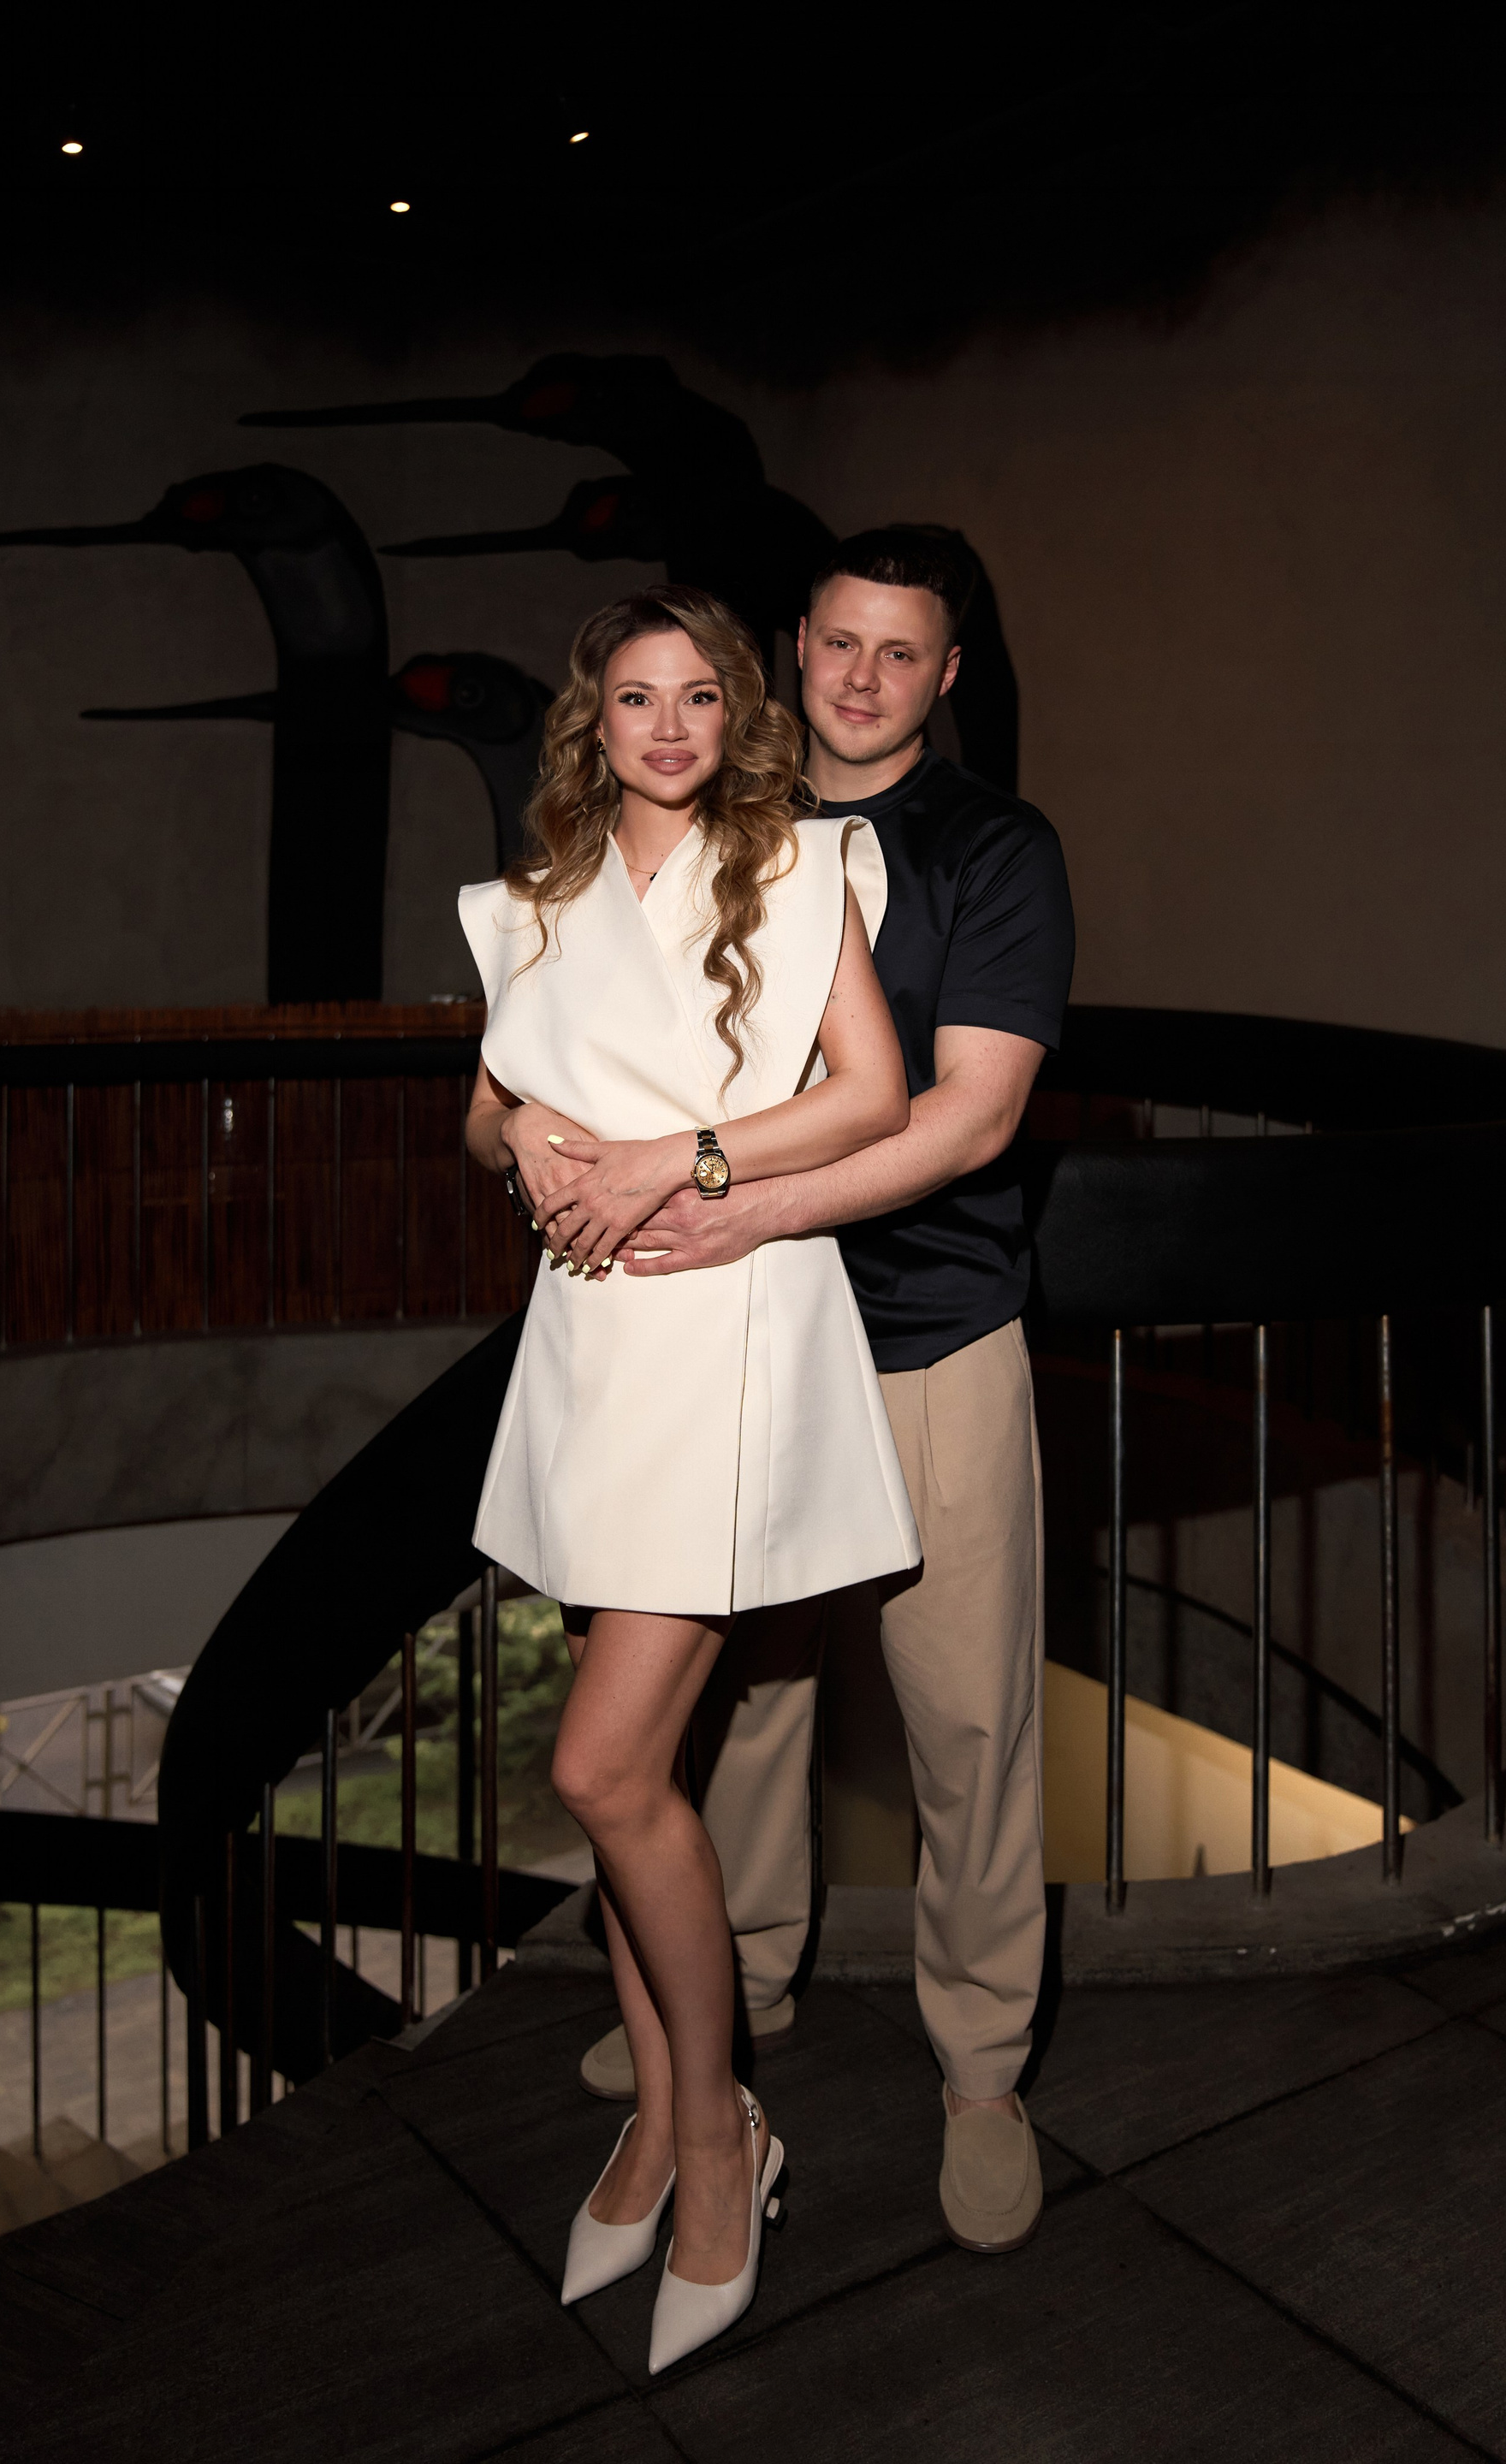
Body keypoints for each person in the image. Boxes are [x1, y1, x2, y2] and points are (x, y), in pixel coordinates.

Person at [581, 527, 1076, 2258]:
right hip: (740, 1346)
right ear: (797, 645)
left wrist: (746, 1207)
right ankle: (726, 2002)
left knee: (968, 1727)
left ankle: (983, 2071)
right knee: (745, 1707)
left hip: (932, 1340)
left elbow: (976, 1116)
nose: (863, 679)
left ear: (949, 675)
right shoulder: (718, 822)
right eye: (841, 643)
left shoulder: (997, 848)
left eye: (902, 652)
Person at [460, 582, 920, 2372]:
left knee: (601, 1765)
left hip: (724, 1331)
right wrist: (522, 1134)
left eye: (700, 696)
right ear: (597, 719)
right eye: (637, 698)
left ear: (739, 713)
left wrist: (682, 1157)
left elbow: (872, 1094)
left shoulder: (797, 867)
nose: (668, 726)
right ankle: (659, 2123)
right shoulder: (544, 894)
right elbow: (485, 1105)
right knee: (622, 1784)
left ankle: (724, 2141)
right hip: (588, 1350)